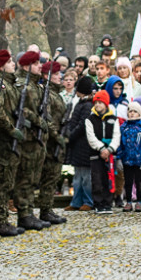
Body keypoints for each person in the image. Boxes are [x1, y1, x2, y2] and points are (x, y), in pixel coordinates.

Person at [0, 51, 24, 236]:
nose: (13, 64)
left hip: (9, 140)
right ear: (1, 66)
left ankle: (3, 219)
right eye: (9, 62)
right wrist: (11, 130)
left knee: (7, 181)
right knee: (1, 182)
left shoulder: (9, 84)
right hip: (3, 140)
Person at [12, 50, 50, 231]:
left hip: (35, 138)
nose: (40, 66)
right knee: (25, 177)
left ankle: (29, 211)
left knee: (32, 177)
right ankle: (24, 214)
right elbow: (22, 110)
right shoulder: (23, 85)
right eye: (35, 64)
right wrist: (37, 121)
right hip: (27, 138)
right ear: (26, 66)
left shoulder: (36, 85)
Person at [35, 61, 69, 225]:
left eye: (59, 74)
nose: (59, 77)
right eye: (55, 74)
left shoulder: (56, 93)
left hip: (56, 140)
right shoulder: (47, 93)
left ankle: (47, 208)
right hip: (50, 142)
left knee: (53, 176)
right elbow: (46, 119)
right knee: (49, 176)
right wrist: (57, 136)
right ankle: (45, 210)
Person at [65, 76, 96, 211]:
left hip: (84, 145)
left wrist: (71, 135)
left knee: (86, 177)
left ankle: (88, 201)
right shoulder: (80, 103)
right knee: (78, 176)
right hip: (78, 146)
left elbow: (83, 124)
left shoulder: (87, 105)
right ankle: (76, 201)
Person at [86, 90, 120, 213]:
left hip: (109, 155)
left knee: (109, 179)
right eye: (96, 102)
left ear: (106, 104)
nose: (98, 105)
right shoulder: (90, 119)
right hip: (96, 154)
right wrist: (101, 148)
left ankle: (107, 202)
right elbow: (91, 137)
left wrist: (110, 149)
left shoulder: (113, 119)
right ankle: (98, 203)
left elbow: (117, 136)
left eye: (100, 102)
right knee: (97, 179)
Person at [116, 102, 141, 211]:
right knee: (128, 182)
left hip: (139, 160)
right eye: (130, 111)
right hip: (127, 160)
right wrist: (118, 158)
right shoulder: (123, 127)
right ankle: (128, 201)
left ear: (139, 113)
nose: (132, 114)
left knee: (139, 181)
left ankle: (139, 202)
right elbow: (120, 144)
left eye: (135, 111)